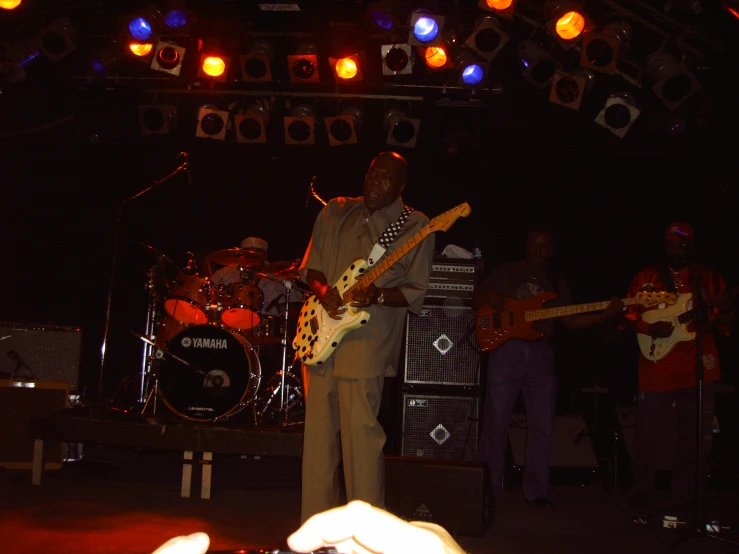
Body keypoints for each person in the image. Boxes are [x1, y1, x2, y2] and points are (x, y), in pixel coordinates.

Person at [297, 151, 434, 523]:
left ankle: (366, 532)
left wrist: (377, 294)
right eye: (372, 173)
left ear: (401, 186)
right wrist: (323, 289)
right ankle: (317, 533)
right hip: (322, 336)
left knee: (361, 441)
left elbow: (414, 292)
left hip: (368, 341)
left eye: (386, 178)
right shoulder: (336, 210)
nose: (375, 182)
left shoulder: (416, 225)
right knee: (319, 445)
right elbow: (311, 269)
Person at [472, 227, 624, 508]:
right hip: (507, 350)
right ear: (526, 246)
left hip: (541, 354)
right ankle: (488, 486)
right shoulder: (507, 271)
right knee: (496, 421)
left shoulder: (556, 282)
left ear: (551, 250)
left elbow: (569, 321)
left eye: (543, 246)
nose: (537, 250)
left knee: (543, 424)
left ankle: (537, 491)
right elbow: (478, 298)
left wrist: (601, 317)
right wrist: (490, 299)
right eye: (533, 245)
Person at [623, 222, 734, 519]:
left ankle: (686, 499)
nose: (677, 249)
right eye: (671, 243)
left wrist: (724, 310)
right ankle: (641, 494)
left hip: (698, 366)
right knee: (647, 435)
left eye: (683, 244)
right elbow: (626, 315)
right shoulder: (647, 276)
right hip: (657, 365)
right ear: (664, 245)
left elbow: (725, 326)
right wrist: (648, 325)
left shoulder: (708, 278)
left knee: (696, 438)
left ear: (692, 246)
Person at [150, 501, 465, 554]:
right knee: (320, 437)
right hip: (321, 340)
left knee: (359, 431)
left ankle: (373, 521)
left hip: (361, 333)